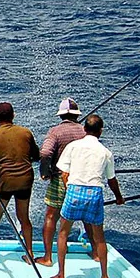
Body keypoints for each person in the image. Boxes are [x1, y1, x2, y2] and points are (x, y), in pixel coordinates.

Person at [50, 114, 125, 278]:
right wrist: (119, 197)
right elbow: (111, 180)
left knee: (63, 233)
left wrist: (69, 188)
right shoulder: (105, 152)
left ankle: (61, 275)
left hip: (74, 190)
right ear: (101, 131)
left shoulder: (73, 146)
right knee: (99, 238)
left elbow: (64, 173)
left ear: (84, 129)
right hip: (94, 193)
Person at [0, 102, 40, 268]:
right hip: (25, 181)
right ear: (13, 115)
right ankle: (30, 254)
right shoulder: (26, 132)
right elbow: (36, 155)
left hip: (3, 183)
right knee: (24, 218)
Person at [36, 97, 94, 266]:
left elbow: (45, 153)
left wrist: (44, 172)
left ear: (61, 116)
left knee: (51, 216)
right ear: (77, 115)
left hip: (60, 179)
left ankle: (47, 257)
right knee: (87, 218)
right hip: (83, 181)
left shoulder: (55, 132)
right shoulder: (85, 131)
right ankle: (97, 253)